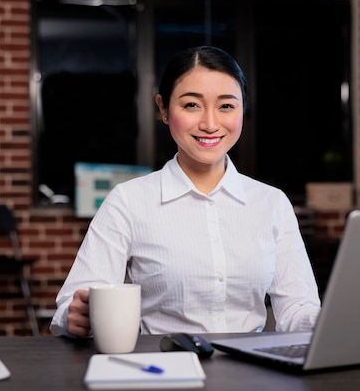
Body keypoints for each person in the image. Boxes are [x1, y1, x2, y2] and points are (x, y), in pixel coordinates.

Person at [50, 45, 321, 337]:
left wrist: (331, 323)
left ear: (243, 108)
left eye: (226, 106)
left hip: (249, 372)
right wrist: (77, 316)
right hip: (163, 369)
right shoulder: (128, 201)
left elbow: (297, 309)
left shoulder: (271, 203)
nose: (210, 124)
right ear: (164, 109)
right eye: (191, 105)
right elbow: (73, 304)